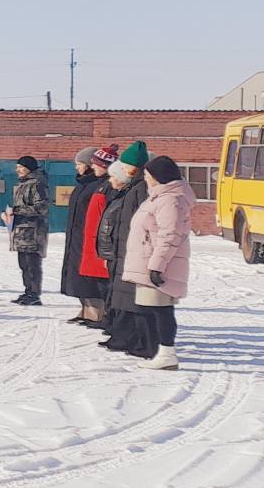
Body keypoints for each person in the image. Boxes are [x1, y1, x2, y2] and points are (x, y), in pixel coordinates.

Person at [124, 156, 192, 370]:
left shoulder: (170, 200)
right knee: (150, 308)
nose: (145, 178)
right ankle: (158, 351)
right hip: (148, 260)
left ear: (158, 177)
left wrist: (157, 266)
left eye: (147, 175)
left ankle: (166, 354)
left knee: (161, 309)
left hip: (159, 265)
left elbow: (169, 235)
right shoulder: (157, 197)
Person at [99, 141, 155, 356]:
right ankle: (122, 336)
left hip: (133, 250)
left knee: (131, 297)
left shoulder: (141, 189)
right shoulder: (133, 188)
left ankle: (135, 340)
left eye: (125, 167)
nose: (122, 171)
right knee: (122, 295)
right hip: (123, 249)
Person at [60, 146, 115, 325]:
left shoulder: (101, 185)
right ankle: (85, 308)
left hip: (89, 237)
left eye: (79, 163)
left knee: (90, 276)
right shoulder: (84, 184)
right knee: (77, 274)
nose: (76, 167)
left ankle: (96, 311)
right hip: (77, 236)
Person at [1, 156, 49, 306]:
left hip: (33, 232)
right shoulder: (23, 184)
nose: (18, 170)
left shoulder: (37, 184)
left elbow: (42, 208)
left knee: (32, 264)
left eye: (21, 167)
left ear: (29, 168)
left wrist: (16, 211)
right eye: (17, 167)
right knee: (24, 264)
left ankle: (34, 294)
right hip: (22, 232)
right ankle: (28, 291)